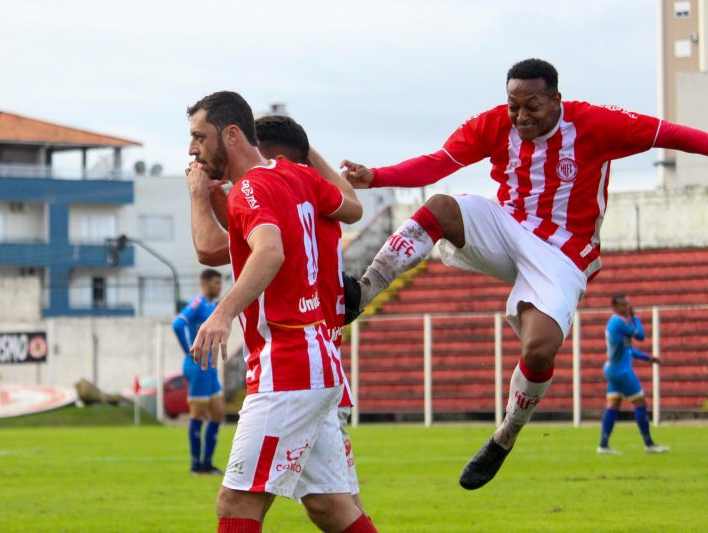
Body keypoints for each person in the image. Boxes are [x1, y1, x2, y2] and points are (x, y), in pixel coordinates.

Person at [340, 58, 708, 490]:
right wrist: (378, 175)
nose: (521, 116)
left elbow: (671, 134)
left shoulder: (597, 124)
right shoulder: (495, 124)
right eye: (513, 105)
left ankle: (504, 436)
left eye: (532, 105)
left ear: (556, 99)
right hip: (506, 227)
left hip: (563, 253)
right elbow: (439, 162)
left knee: (539, 349)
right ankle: (362, 293)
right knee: (441, 205)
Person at [185, 91, 376, 533]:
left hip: (289, 363)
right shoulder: (293, 176)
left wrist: (223, 312)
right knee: (330, 506)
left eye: (199, 137)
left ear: (231, 134)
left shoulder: (251, 187)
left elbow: (266, 251)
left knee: (235, 504)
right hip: (319, 360)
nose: (192, 148)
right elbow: (351, 207)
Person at [599, 294, 669, 455]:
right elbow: (641, 336)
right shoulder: (618, 322)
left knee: (613, 405)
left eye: (627, 305)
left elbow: (627, 349)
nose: (626, 308)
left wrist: (647, 358)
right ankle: (649, 444)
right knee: (641, 404)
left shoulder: (617, 323)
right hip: (621, 371)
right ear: (615, 307)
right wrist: (635, 317)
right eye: (623, 305)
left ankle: (603, 445)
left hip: (612, 369)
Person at [172, 268, 226, 475]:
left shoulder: (212, 306)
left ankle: (207, 463)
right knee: (199, 414)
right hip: (198, 365)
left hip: (210, 367)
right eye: (215, 283)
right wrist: (189, 349)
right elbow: (178, 324)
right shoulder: (198, 302)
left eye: (220, 283)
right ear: (204, 283)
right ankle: (196, 465)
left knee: (217, 413)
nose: (218, 286)